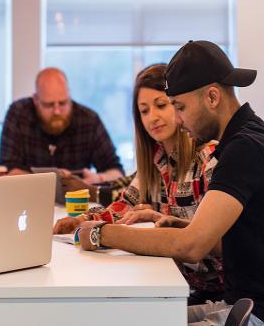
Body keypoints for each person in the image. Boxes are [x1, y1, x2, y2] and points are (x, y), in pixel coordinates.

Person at [77, 41, 264, 326]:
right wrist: (182, 225)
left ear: (213, 97)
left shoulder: (245, 148)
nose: (178, 120)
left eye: (180, 107)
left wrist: (102, 234)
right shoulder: (242, 140)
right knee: (143, 318)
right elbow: (233, 242)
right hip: (245, 304)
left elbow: (191, 247)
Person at [54, 64, 224, 304]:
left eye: (161, 105)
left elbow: (216, 242)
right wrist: (81, 221)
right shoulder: (155, 161)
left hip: (214, 292)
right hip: (175, 284)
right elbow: (124, 205)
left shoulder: (208, 157)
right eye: (144, 111)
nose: (152, 117)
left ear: (177, 105)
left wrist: (100, 232)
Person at [0, 67, 124, 186]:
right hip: (28, 199)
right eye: (49, 105)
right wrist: (46, 180)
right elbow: (7, 169)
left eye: (63, 103)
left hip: (77, 201)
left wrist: (98, 179)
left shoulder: (89, 120)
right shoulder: (19, 114)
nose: (57, 111)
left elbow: (116, 172)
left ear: (69, 95)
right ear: (36, 99)